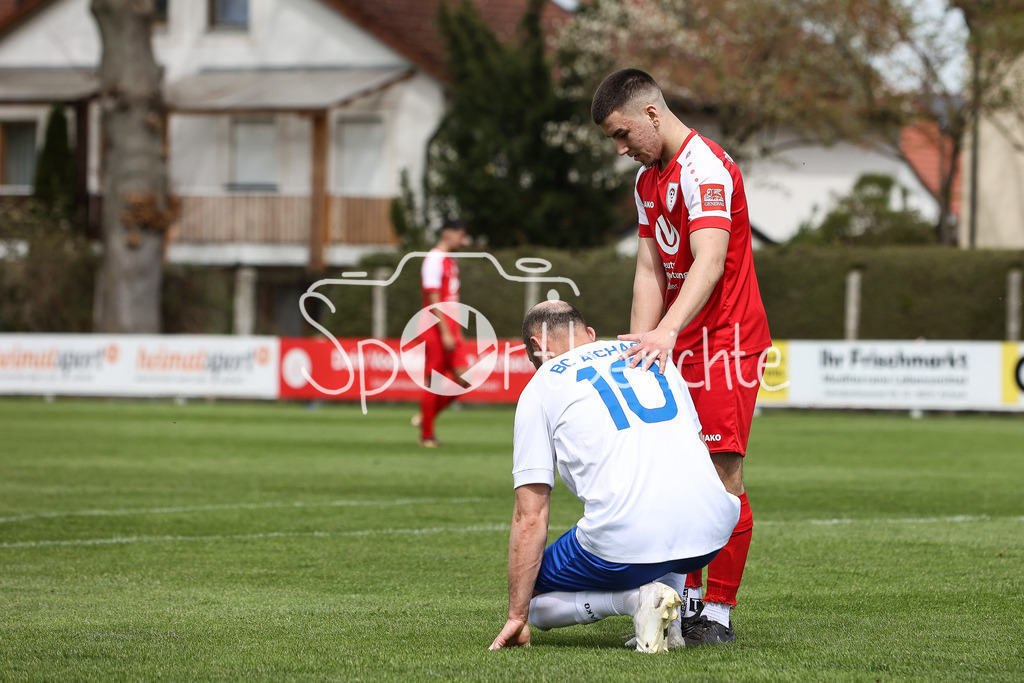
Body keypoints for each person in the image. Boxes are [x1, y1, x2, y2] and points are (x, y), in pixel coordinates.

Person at [590, 68, 772, 645]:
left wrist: (666, 332)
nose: (621, 149)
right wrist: (640, 343)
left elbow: (709, 261)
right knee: (674, 477)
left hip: (727, 341)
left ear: (651, 114)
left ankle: (716, 612)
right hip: (679, 341)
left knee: (721, 478)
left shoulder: (705, 168)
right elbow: (649, 268)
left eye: (622, 134)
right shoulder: (648, 181)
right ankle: (681, 604)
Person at [489, 301, 740, 653]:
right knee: (665, 489)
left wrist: (517, 615)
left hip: (629, 537)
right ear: (590, 335)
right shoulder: (652, 352)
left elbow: (530, 515)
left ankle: (635, 603)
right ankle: (672, 620)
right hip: (712, 534)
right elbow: (696, 447)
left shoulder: (541, 384)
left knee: (531, 597)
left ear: (536, 347)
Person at [415, 219, 472, 447]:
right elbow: (433, 298)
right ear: (448, 234)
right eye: (461, 235)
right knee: (434, 382)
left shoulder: (451, 260)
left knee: (465, 379)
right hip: (435, 327)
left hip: (450, 327)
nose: (463, 241)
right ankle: (426, 436)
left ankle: (425, 418)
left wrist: (455, 330)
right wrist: (445, 331)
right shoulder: (433, 259)